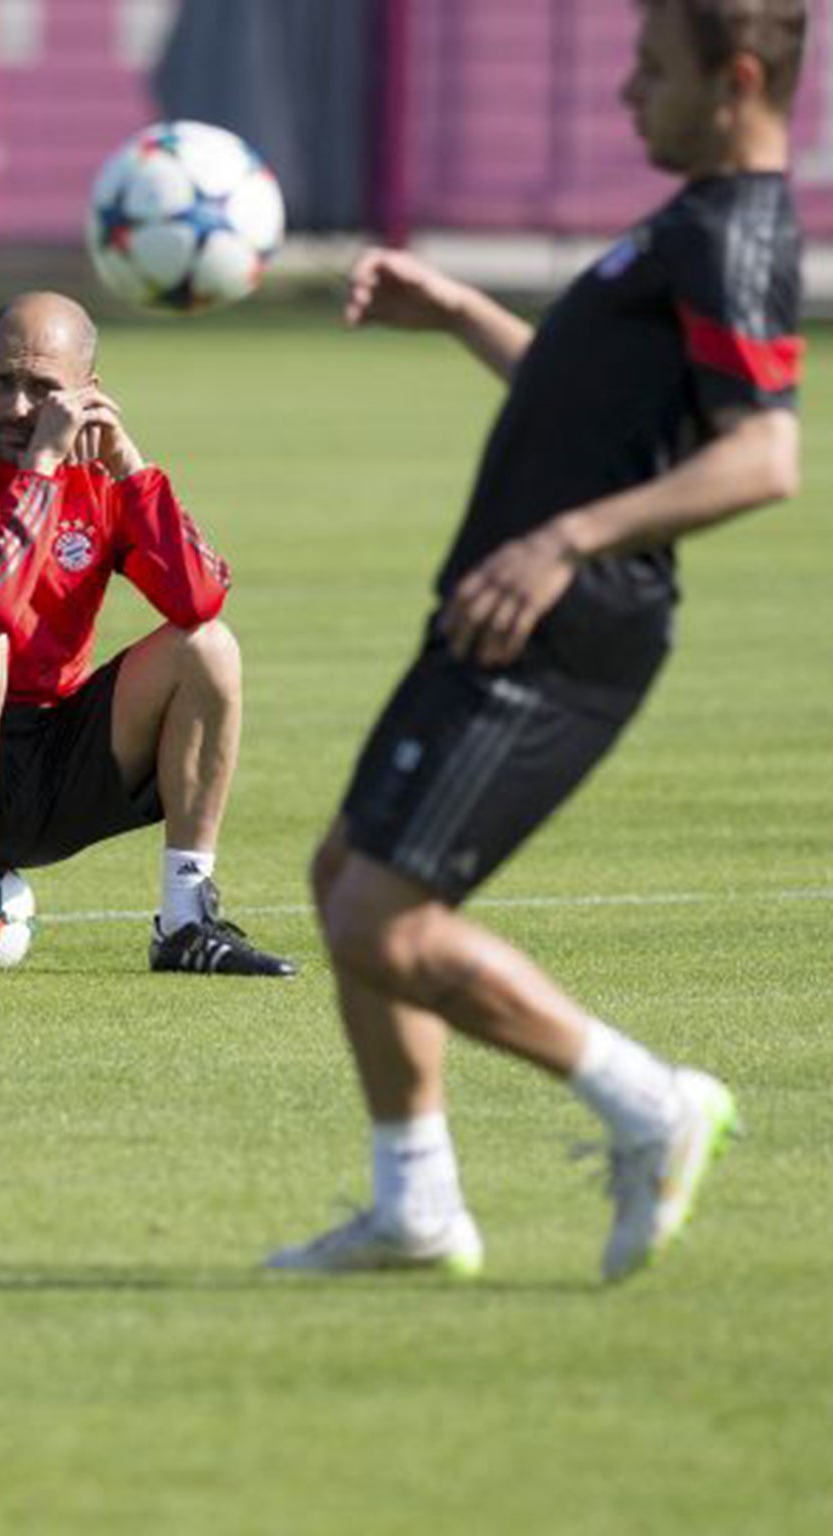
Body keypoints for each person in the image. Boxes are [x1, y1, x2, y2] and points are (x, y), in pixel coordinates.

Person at [272, 0, 803, 1283]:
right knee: (345, 873)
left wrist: (566, 542)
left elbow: (762, 454)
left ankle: (649, 1104)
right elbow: (593, 415)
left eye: (649, 71)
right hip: (504, 606)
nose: (627, 97)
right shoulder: (681, 226)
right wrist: (460, 311)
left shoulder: (734, 235)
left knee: (382, 923)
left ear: (734, 81)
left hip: (561, 625)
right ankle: (415, 1208)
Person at [0, 290, 297, 984]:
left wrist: (132, 467)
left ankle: (185, 920)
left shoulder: (103, 481)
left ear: (89, 395)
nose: (19, 408)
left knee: (209, 647)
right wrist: (42, 473)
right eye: (2, 383)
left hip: (48, 763)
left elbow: (200, 594)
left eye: (43, 389)